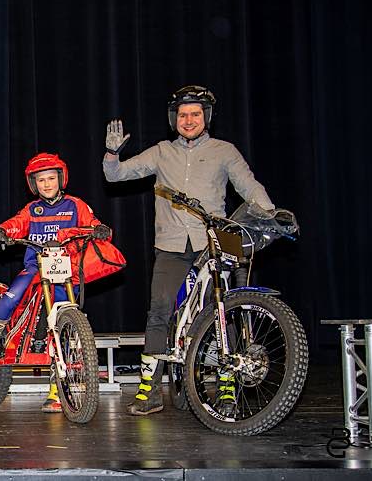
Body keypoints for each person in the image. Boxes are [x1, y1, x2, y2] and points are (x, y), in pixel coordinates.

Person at [102, 85, 275, 416]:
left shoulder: (225, 151)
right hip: (170, 245)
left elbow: (248, 186)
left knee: (224, 311)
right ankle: (149, 390)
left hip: (214, 244)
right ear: (174, 119)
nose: (189, 120)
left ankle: (227, 387)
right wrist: (112, 153)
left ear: (206, 117)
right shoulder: (161, 151)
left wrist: (270, 213)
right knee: (160, 308)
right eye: (183, 115)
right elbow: (117, 175)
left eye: (196, 114)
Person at [0, 152, 111, 413]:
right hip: (35, 268)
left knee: (63, 331)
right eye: (41, 180)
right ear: (33, 184)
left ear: (61, 179)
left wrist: (100, 229)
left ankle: (56, 391)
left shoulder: (76, 205)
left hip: (64, 270)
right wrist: (3, 232)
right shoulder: (33, 210)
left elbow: (92, 223)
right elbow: (17, 223)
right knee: (12, 295)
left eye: (51, 178)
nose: (47, 184)